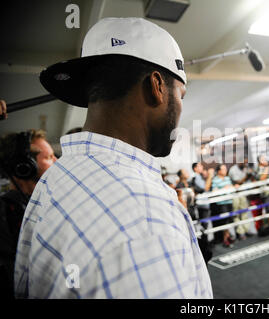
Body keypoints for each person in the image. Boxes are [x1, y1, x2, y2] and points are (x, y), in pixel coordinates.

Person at [14, 17, 212, 299]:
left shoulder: (56, 179)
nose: (180, 108)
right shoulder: (149, 218)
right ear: (156, 86)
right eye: (180, 94)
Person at [0, 129, 56, 298]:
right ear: (23, 167)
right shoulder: (6, 212)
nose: (57, 161)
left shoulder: (48, 203)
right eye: (48, 157)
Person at [211, 164, 235, 247]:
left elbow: (232, 188)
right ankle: (225, 239)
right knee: (224, 221)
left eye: (226, 169)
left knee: (229, 220)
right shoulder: (215, 180)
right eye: (223, 169)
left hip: (229, 201)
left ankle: (228, 237)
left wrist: (231, 187)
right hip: (221, 204)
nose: (225, 170)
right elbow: (214, 191)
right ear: (219, 171)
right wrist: (224, 189)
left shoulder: (228, 178)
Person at [228, 158, 252, 240]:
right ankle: (240, 232)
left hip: (243, 193)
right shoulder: (233, 170)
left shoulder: (245, 168)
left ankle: (246, 230)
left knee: (245, 212)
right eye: (244, 162)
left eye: (246, 162)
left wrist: (250, 175)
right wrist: (247, 176)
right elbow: (238, 182)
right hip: (235, 195)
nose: (246, 164)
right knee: (237, 214)